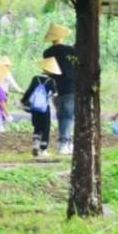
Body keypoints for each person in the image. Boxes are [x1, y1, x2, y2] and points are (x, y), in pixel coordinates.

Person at [42, 23, 79, 155]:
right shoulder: (71, 50)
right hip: (70, 87)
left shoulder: (47, 53)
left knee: (61, 115)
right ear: (62, 36)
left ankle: (62, 143)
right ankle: (64, 142)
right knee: (68, 116)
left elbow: (48, 70)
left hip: (55, 88)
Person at [21, 57, 61, 156]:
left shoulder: (36, 78)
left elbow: (29, 91)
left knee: (37, 126)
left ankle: (35, 143)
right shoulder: (51, 81)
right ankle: (43, 149)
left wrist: (23, 101)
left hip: (34, 108)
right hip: (44, 108)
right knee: (45, 127)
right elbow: (55, 94)